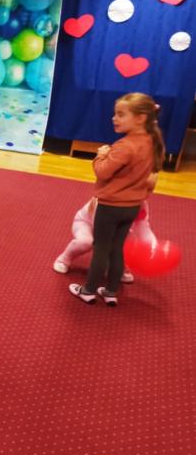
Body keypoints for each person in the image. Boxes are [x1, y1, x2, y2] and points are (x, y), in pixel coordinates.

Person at [68, 93, 164, 306]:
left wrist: (101, 154)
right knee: (117, 248)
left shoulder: (125, 145)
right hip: (132, 206)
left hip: (111, 206)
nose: (114, 118)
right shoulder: (151, 142)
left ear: (140, 118)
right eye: (115, 114)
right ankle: (110, 291)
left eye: (121, 114)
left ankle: (88, 290)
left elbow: (102, 172)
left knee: (101, 248)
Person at [53, 194, 158, 283]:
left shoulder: (140, 204)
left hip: (114, 228)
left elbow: (143, 228)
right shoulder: (106, 198)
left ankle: (116, 268)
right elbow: (102, 233)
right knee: (86, 242)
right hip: (86, 223)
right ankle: (64, 259)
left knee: (128, 241)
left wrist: (153, 247)